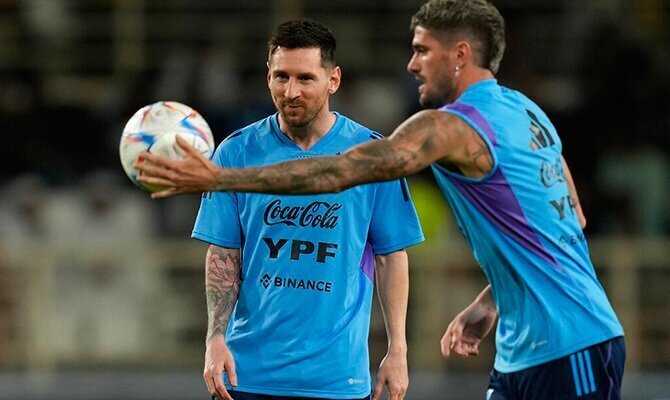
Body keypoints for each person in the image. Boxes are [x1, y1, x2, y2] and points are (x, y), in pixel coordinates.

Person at [137, 1, 625, 399]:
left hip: (570, 342)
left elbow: (342, 171)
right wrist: (491, 300)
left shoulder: (446, 126)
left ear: (459, 55)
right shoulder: (528, 113)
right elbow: (571, 216)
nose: (410, 64)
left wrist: (218, 180)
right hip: (526, 348)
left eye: (421, 51)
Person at [184, 19, 424, 400]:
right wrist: (214, 338)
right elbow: (224, 253)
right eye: (281, 77)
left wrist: (398, 349)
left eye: (305, 79)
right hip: (247, 375)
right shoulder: (235, 152)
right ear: (268, 75)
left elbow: (391, 256)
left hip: (337, 379)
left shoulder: (373, 156)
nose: (290, 91)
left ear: (333, 80)